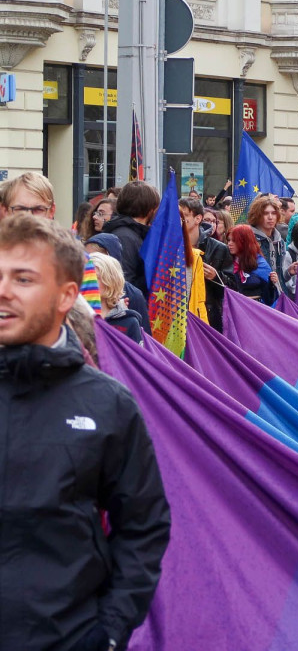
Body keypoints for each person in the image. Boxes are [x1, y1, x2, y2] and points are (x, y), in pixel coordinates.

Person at [0, 215, 170, 651]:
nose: (3, 291)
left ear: (66, 296)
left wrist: (109, 631)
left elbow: (144, 525)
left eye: (23, 278)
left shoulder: (107, 404)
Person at [182, 197, 233, 332]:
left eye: (184, 215)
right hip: (178, 318)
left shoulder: (219, 248)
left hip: (208, 318)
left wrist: (216, 277)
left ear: (198, 219)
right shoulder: (170, 246)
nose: (179, 219)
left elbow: (233, 288)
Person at [91, 252, 144, 345]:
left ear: (111, 280)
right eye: (85, 278)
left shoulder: (128, 322)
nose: (89, 283)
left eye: (95, 277)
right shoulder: (75, 318)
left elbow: (134, 357)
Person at [247, 194, 285, 303]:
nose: (270, 217)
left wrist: (289, 272)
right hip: (258, 298)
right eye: (265, 213)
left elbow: (281, 273)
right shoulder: (249, 238)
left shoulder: (280, 241)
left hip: (278, 296)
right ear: (257, 215)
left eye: (273, 213)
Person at [227, 224, 275, 303]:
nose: (230, 243)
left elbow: (269, 298)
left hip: (255, 309)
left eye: (234, 240)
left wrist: (272, 283)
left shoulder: (260, 263)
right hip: (234, 308)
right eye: (228, 240)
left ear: (245, 241)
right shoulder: (227, 261)